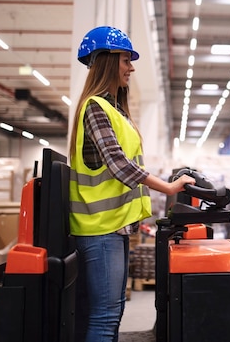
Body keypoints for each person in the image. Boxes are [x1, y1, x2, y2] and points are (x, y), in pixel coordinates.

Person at [69, 25, 195, 342]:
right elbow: (118, 164)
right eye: (126, 60)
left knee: (112, 314)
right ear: (107, 61)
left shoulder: (115, 111)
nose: (131, 67)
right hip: (99, 230)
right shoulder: (95, 108)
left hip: (115, 228)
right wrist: (167, 188)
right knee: (104, 317)